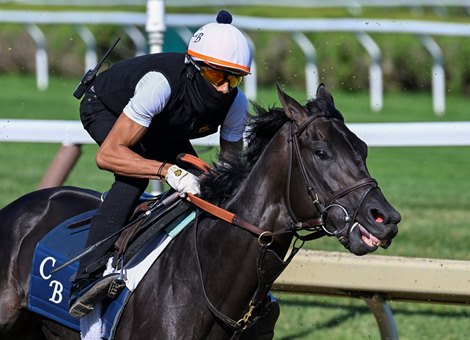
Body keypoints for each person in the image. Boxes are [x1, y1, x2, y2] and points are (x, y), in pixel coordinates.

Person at [69, 10, 252, 318]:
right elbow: (108, 155)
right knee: (133, 177)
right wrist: (166, 171)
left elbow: (230, 174)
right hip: (105, 107)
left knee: (202, 180)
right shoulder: (160, 84)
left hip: (162, 123)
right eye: (216, 76)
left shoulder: (237, 103)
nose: (224, 88)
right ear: (194, 67)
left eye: (233, 78)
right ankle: (86, 278)